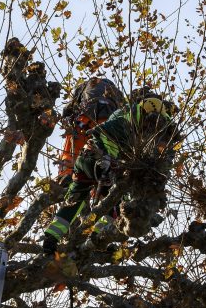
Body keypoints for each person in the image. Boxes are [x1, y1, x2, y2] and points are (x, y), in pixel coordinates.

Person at [43, 95, 176, 257]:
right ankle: (99, 238)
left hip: (85, 160)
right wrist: (105, 156)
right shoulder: (127, 123)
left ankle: (51, 237)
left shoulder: (125, 114)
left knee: (75, 198)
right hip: (100, 162)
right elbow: (103, 131)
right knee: (118, 202)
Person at [57, 77, 125, 181]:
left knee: (71, 150)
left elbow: (68, 109)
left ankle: (66, 175)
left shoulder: (85, 85)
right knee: (104, 151)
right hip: (107, 122)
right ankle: (101, 177)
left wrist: (66, 120)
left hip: (86, 118)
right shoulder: (117, 93)